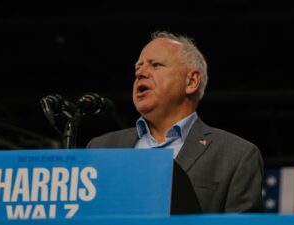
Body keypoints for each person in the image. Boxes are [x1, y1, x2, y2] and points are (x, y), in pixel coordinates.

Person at [87, 31, 264, 213]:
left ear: (191, 81)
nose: (140, 73)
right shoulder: (101, 147)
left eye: (156, 65)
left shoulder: (236, 155)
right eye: (138, 68)